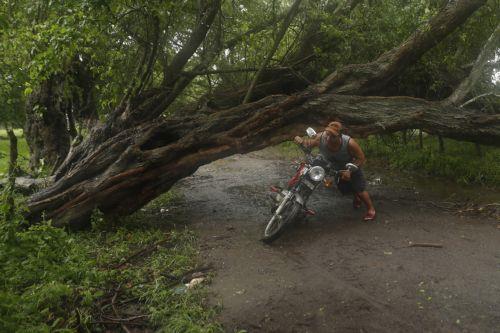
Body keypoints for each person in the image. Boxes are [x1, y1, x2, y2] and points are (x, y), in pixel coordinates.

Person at [294, 121, 376, 221]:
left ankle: (371, 209)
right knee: (309, 177)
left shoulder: (350, 143)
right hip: (329, 164)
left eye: (332, 136)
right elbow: (309, 145)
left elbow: (361, 158)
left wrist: (350, 170)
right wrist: (301, 141)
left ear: (340, 136)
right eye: (327, 134)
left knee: (360, 190)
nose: (328, 138)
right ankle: (297, 206)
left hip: (349, 166)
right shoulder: (321, 137)